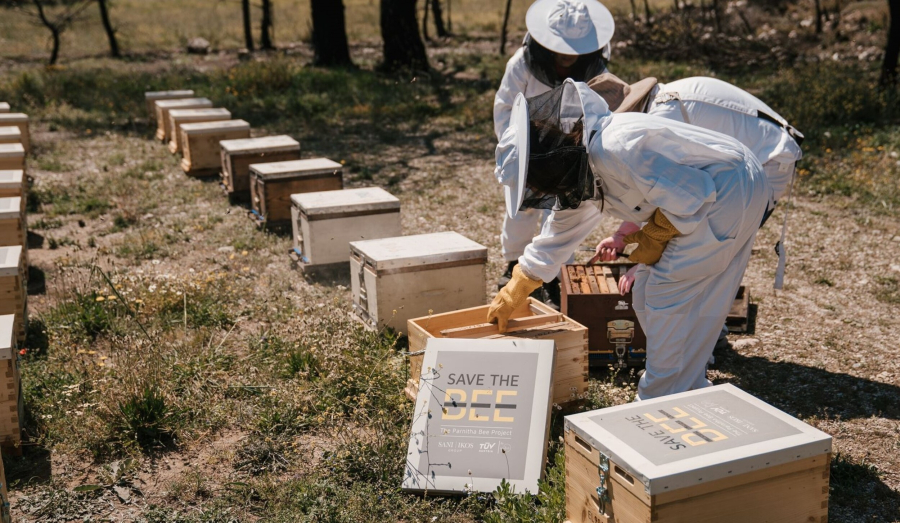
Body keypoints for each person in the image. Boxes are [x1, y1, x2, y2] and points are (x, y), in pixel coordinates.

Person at [488, 79, 770, 400]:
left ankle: (656, 397)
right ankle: (688, 386)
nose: (545, 191)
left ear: (549, 162)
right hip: (719, 195)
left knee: (666, 293)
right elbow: (559, 232)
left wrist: (654, 234)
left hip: (729, 192)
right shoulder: (589, 167)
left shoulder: (615, 148)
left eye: (539, 181)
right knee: (646, 291)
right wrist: (519, 284)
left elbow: (694, 193)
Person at [588, 74, 803, 352]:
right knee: (704, 253)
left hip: (770, 160)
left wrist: (643, 260)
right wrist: (622, 234)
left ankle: (706, 341)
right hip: (752, 160)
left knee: (709, 252)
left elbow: (681, 201)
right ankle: (705, 338)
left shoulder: (662, 117)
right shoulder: (658, 107)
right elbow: (658, 189)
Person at [493, 0, 615, 307]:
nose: (567, 54)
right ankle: (513, 263)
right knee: (521, 205)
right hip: (528, 147)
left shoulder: (596, 69)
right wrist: (519, 152)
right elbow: (506, 109)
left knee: (562, 208)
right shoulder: (521, 63)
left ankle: (554, 272)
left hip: (571, 151)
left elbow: (600, 110)